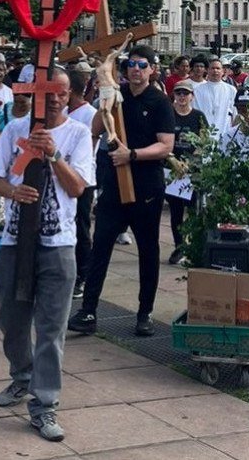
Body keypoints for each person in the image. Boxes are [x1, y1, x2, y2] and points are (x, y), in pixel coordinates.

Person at [0, 69, 94, 444]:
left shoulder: (78, 134)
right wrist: (12, 193)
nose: (56, 100)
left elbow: (78, 187)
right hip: (17, 240)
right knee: (11, 320)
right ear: (35, 95)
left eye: (62, 94)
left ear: (70, 96)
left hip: (58, 243)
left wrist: (53, 153)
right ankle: (22, 376)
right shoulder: (15, 130)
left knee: (51, 327)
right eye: (49, 95)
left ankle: (44, 403)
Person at [68, 43, 175, 339]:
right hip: (114, 183)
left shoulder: (159, 102)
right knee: (100, 245)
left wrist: (133, 155)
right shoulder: (118, 94)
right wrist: (106, 98)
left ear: (152, 69)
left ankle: (144, 313)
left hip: (146, 185)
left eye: (143, 65)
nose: (136, 70)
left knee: (148, 250)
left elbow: (166, 145)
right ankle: (88, 310)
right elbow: (95, 127)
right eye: (132, 64)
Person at [165, 79, 208, 264]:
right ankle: (179, 246)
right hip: (172, 169)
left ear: (192, 96)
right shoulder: (168, 115)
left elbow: (204, 140)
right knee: (176, 211)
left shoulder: (198, 116)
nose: (182, 97)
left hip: (192, 170)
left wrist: (191, 161)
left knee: (194, 209)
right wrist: (172, 159)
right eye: (179, 93)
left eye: (185, 94)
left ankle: (194, 245)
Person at [66, 67, 97, 297]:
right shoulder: (63, 112)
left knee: (81, 227)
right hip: (61, 175)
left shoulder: (89, 114)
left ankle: (84, 275)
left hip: (84, 178)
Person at [194, 57, 237, 135]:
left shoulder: (231, 90)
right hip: (204, 132)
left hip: (225, 131)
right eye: (212, 68)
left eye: (218, 68)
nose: (215, 71)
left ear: (223, 71)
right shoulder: (198, 90)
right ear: (207, 70)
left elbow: (235, 113)